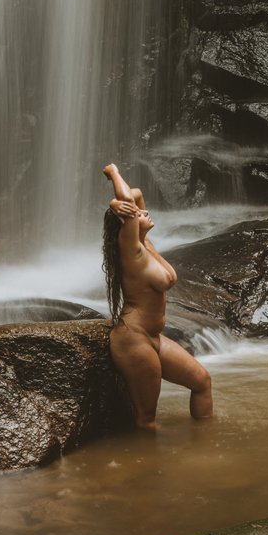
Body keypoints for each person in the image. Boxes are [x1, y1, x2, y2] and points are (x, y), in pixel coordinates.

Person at [102, 162, 213, 430]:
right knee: (147, 420)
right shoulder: (131, 251)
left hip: (154, 337)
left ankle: (208, 447)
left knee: (202, 382)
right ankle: (150, 467)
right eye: (137, 214)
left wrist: (114, 203)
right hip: (134, 340)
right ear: (126, 224)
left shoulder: (144, 244)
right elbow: (129, 200)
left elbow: (135, 195)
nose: (145, 212)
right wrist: (114, 174)